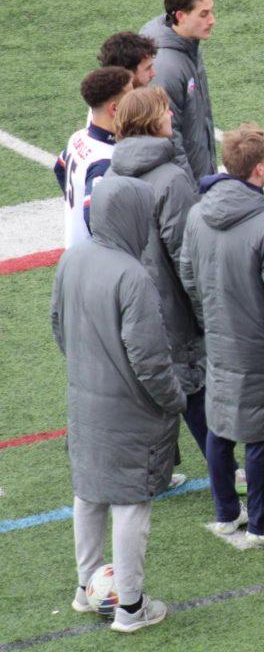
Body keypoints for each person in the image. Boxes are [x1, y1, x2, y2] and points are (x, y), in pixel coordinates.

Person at [51, 175, 185, 633]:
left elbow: (57, 325)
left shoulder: (73, 258)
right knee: (131, 502)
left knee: (88, 491)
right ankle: (130, 607)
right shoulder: (133, 276)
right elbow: (149, 359)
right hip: (129, 409)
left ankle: (87, 586)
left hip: (83, 396)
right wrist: (174, 399)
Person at [180, 125, 264, 546]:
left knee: (220, 424)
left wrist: (210, 316)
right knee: (261, 434)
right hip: (262, 344)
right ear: (259, 169)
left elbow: (188, 275)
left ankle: (225, 512)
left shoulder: (198, 212)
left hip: (218, 335)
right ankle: (263, 522)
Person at [110, 87, 210, 476]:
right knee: (194, 385)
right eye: (165, 111)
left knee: (150, 382)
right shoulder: (170, 178)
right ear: (151, 121)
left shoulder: (113, 172)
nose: (172, 116)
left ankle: (156, 470)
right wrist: (204, 311)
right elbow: (186, 255)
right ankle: (226, 474)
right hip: (172, 304)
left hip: (131, 297)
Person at [140, 0, 217, 182]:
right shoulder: (165, 67)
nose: (212, 20)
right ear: (181, 16)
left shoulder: (189, 46)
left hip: (199, 174)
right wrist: (189, 189)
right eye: (204, 14)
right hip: (186, 185)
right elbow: (168, 138)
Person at [54, 67, 133, 248]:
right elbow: (95, 219)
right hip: (94, 264)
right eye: (131, 96)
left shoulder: (78, 137)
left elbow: (59, 168)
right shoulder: (105, 161)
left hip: (75, 253)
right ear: (115, 108)